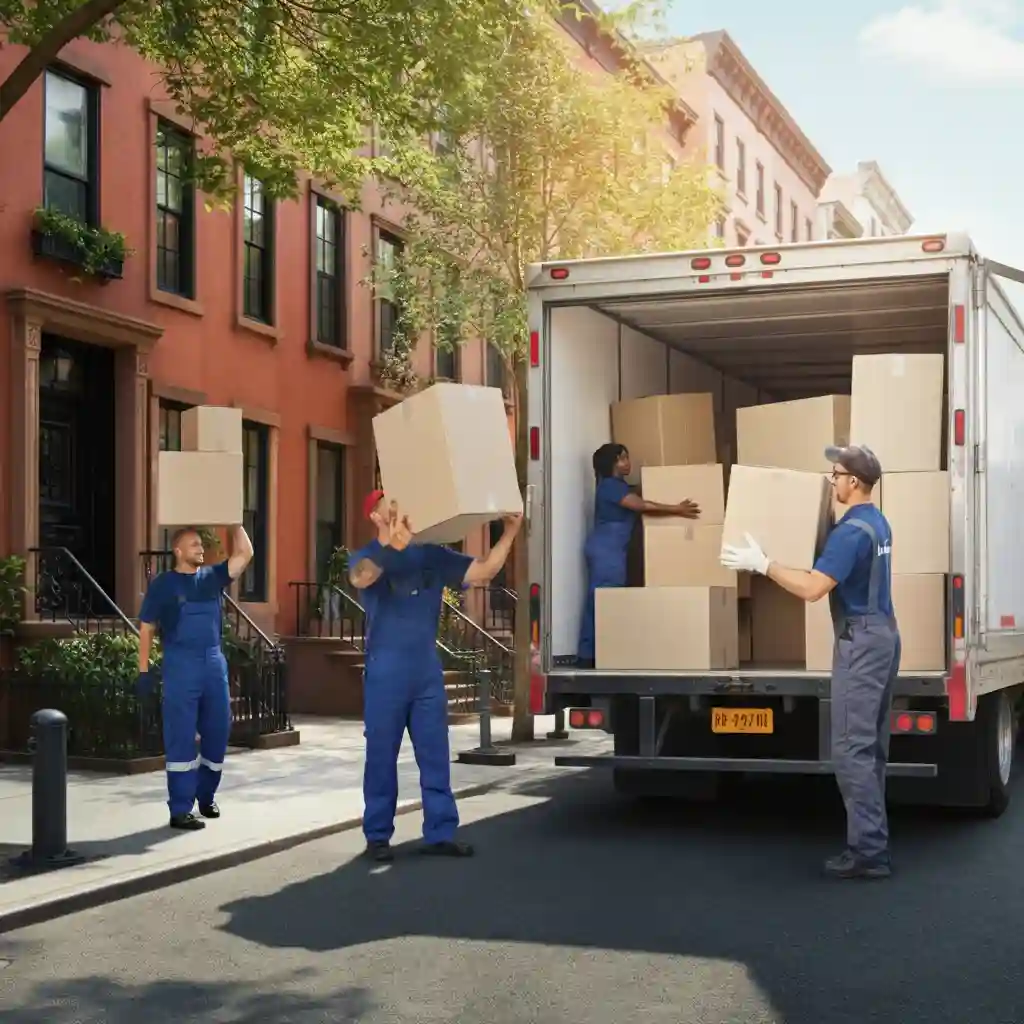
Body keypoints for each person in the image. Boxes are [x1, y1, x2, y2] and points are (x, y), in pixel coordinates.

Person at [720, 444, 898, 880]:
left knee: (851, 750)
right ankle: (872, 841)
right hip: (883, 635)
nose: (830, 480)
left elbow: (812, 588)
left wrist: (764, 563)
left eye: (835, 474)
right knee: (870, 749)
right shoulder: (876, 522)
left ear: (854, 481)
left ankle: (869, 853)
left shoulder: (851, 533)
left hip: (860, 643)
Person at [349, 490, 523, 863]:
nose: (397, 506)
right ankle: (378, 836)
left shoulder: (433, 555)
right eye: (387, 503)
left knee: (435, 754)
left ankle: (440, 832)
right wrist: (386, 544)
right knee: (381, 756)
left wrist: (509, 532)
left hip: (426, 670)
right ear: (375, 516)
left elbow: (485, 571)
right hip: (386, 670)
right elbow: (361, 579)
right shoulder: (367, 556)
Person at [138, 525, 255, 831]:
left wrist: (233, 522)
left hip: (213, 662)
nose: (200, 549)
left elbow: (245, 554)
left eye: (201, 545)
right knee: (181, 737)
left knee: (218, 731)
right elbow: (147, 627)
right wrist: (143, 669)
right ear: (178, 551)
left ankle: (206, 795)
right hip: (181, 663)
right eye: (194, 545)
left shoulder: (212, 577)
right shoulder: (163, 585)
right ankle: (180, 808)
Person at [577, 443, 700, 668]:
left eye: (627, 458)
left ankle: (593, 653)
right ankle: (590, 656)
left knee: (603, 599)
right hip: (607, 549)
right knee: (604, 601)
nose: (628, 463)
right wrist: (677, 509)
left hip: (611, 549)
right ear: (611, 463)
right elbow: (640, 505)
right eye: (623, 458)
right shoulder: (611, 487)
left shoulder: (617, 486)